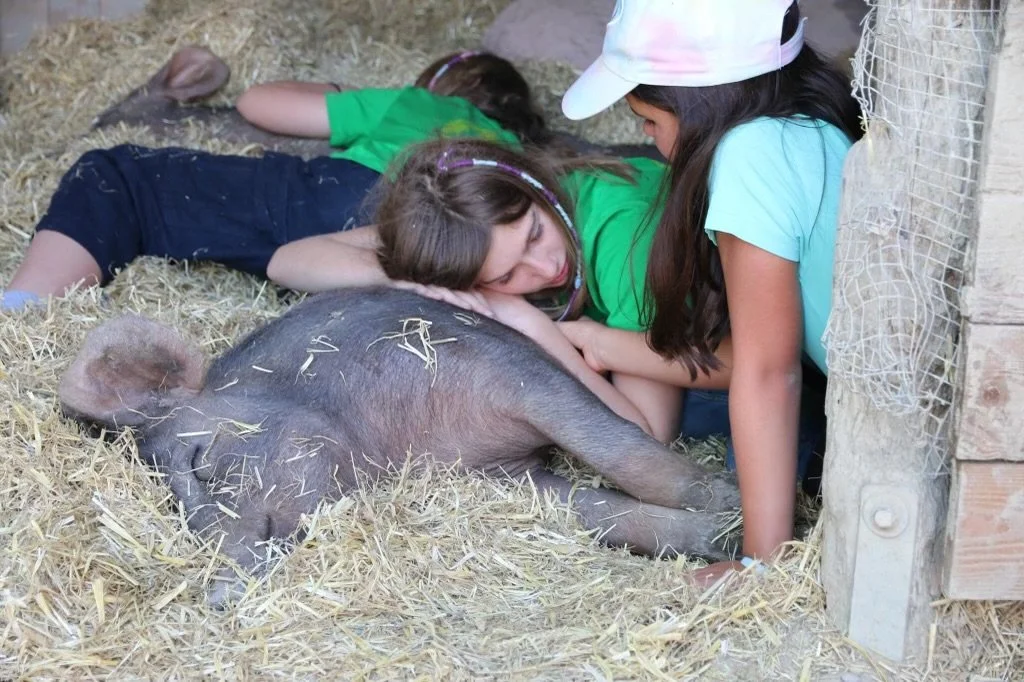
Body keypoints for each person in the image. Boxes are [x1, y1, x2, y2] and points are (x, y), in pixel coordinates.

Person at [556, 0, 862, 581]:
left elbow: (770, 373)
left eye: (649, 121)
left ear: (696, 103)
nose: (648, 140)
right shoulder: (810, 121)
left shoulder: (747, 156)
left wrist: (760, 562)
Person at [1, 51, 547, 310]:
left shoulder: (419, 106)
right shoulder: (521, 164)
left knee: (121, 175)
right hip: (460, 247)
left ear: (442, 84)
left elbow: (259, 103)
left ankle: (24, 312)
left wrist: (339, 89)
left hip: (357, 196)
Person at [266, 138, 681, 442]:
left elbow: (647, 434)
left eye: (534, 235)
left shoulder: (623, 244)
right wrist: (414, 280)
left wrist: (528, 322)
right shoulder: (479, 224)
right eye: (506, 276)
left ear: (532, 188)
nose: (547, 266)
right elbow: (287, 261)